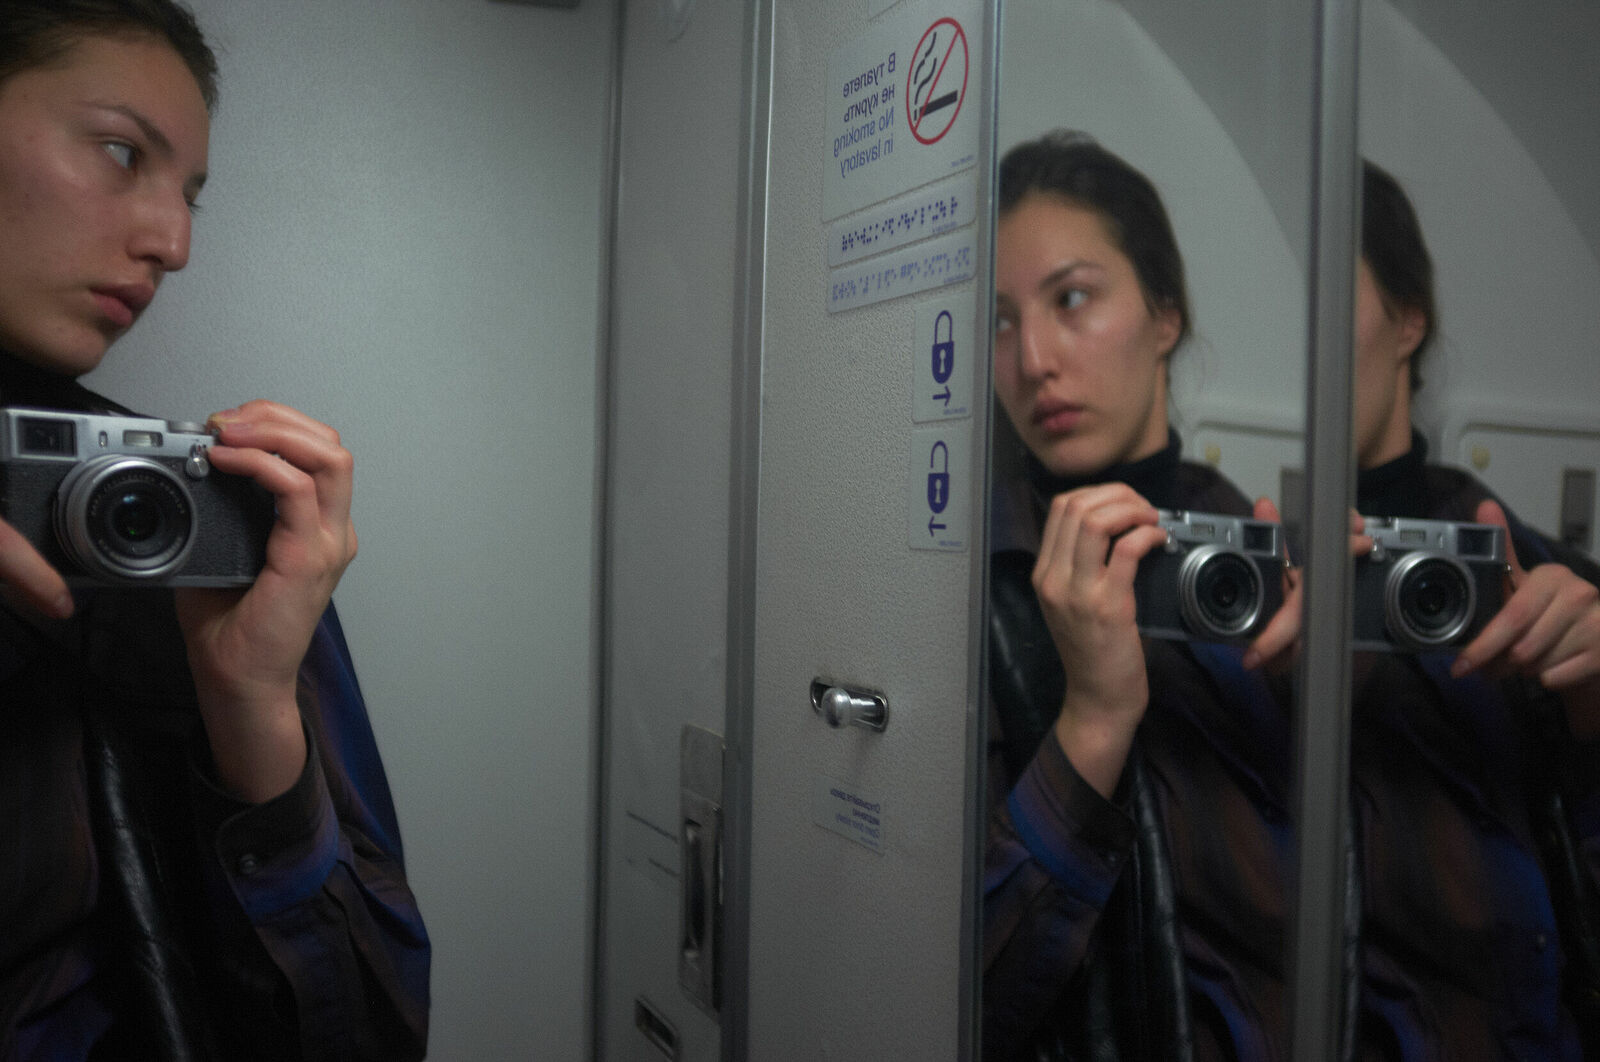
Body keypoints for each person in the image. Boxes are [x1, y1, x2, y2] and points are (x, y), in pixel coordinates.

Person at [0, 2, 430, 1058]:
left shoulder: (174, 521)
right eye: (120, 152)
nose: (174, 244)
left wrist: (251, 709)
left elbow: (367, 1036)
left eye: (190, 194)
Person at [982, 129, 1305, 1059]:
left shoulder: (1271, 567)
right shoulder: (960, 587)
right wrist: (1093, 717)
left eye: (1071, 299)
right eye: (999, 320)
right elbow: (969, 995)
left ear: (1165, 316)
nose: (1032, 359)